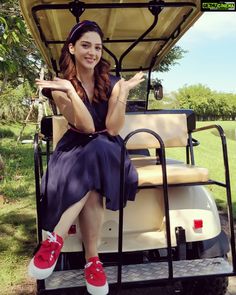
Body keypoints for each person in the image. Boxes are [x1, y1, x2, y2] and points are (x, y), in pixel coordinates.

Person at [28, 20, 144, 295]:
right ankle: (93, 260)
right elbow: (86, 127)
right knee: (92, 176)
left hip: (108, 148)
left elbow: (112, 128)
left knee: (99, 149)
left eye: (98, 47)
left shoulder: (114, 83)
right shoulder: (58, 86)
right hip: (76, 148)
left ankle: (54, 239)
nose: (93, 52)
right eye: (86, 45)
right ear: (72, 48)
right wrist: (69, 89)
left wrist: (123, 91)